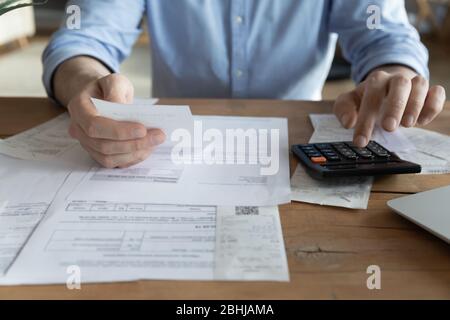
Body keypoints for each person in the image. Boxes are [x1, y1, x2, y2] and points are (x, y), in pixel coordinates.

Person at [43, 0, 446, 168]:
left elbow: (384, 34)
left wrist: (392, 72)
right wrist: (86, 79)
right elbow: (84, 36)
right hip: (167, 151)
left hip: (298, 151)